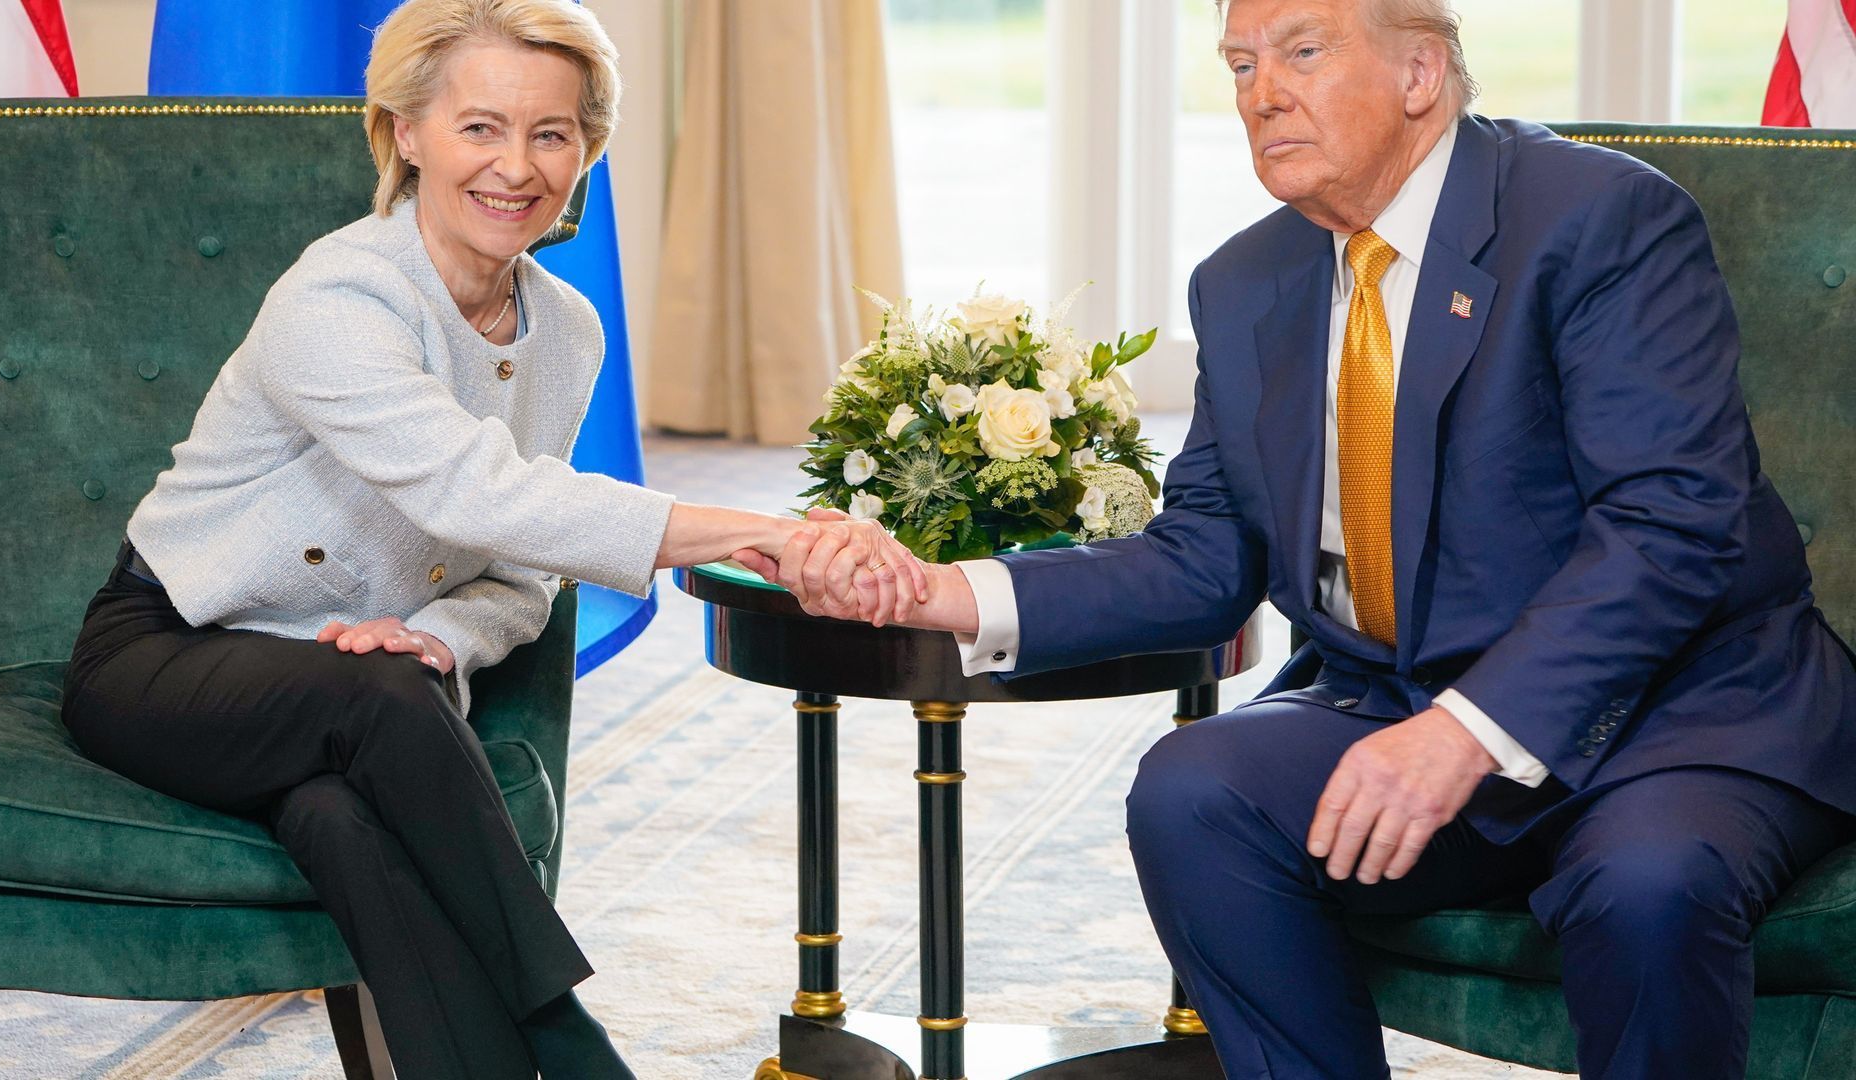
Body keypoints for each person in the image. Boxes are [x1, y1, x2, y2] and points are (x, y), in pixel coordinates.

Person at [745, 0, 1856, 1076]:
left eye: (1302, 53)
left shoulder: (1599, 217)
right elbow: (1204, 556)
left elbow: (1669, 526)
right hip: (1401, 704)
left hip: (1673, 713)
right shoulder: (1245, 283)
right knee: (1193, 793)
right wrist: (936, 588)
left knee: (1649, 885)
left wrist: (1465, 732)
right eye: (1240, 65)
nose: (1261, 94)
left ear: (1420, 73)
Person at [59, 2, 925, 1078]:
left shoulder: (567, 331)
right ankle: (572, 1041)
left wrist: (444, 638)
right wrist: (763, 534)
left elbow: (520, 571)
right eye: (479, 127)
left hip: (352, 680)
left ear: (586, 150)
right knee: (382, 700)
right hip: (165, 654)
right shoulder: (340, 294)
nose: (516, 167)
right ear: (407, 133)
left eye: (551, 133)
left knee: (339, 816)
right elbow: (480, 493)